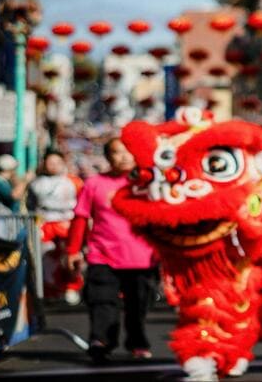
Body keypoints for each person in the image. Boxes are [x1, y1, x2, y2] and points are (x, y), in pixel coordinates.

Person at [66, 138, 156, 362]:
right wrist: (73, 250)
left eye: (128, 152)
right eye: (117, 153)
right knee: (102, 300)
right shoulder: (94, 183)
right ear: (108, 157)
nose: (124, 157)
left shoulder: (149, 183)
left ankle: (137, 342)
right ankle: (101, 341)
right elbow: (80, 217)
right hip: (102, 254)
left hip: (142, 256)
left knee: (138, 304)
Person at [27, 150, 83, 304]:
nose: (54, 166)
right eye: (50, 163)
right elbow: (30, 205)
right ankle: (50, 291)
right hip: (45, 224)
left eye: (57, 162)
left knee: (69, 258)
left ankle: (71, 288)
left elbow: (82, 204)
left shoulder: (74, 181)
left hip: (67, 223)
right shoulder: (35, 183)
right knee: (47, 259)